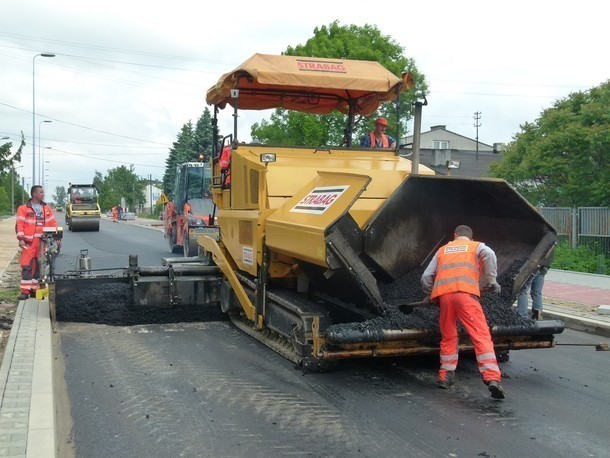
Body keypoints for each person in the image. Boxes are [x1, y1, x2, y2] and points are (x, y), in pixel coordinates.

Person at [421, 224, 505, 399]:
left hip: (444, 297)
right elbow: (489, 254)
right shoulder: (476, 246)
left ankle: (445, 376)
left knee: (449, 335)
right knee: (480, 334)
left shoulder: (443, 250)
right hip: (466, 296)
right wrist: (492, 280)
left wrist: (430, 293)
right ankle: (492, 379)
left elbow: (426, 277)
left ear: (454, 235)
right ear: (470, 237)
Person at [15, 185, 58, 300]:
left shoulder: (46, 208)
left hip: (42, 242)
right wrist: (21, 239)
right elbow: (19, 225)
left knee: (39, 267)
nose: (43, 194)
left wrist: (57, 238)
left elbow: (53, 223)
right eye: (41, 192)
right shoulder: (24, 208)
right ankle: (25, 291)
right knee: (27, 266)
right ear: (34, 194)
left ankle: (35, 289)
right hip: (28, 243)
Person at [516, 250, 554, 320]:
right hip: (544, 268)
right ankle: (537, 315)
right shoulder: (551, 240)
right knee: (537, 292)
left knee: (522, 291)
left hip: (533, 266)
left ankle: (522, 315)